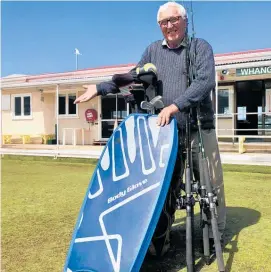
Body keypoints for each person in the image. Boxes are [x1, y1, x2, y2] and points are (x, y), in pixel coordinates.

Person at [74, 1, 226, 258]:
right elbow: (134, 76)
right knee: (165, 186)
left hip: (199, 128)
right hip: (166, 133)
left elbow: (204, 82)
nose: (170, 26)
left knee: (210, 184)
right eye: (164, 22)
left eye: (174, 19)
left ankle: (214, 235)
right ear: (159, 26)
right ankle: (159, 239)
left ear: (184, 21)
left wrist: (175, 106)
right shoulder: (152, 51)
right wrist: (100, 88)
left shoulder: (201, 47)